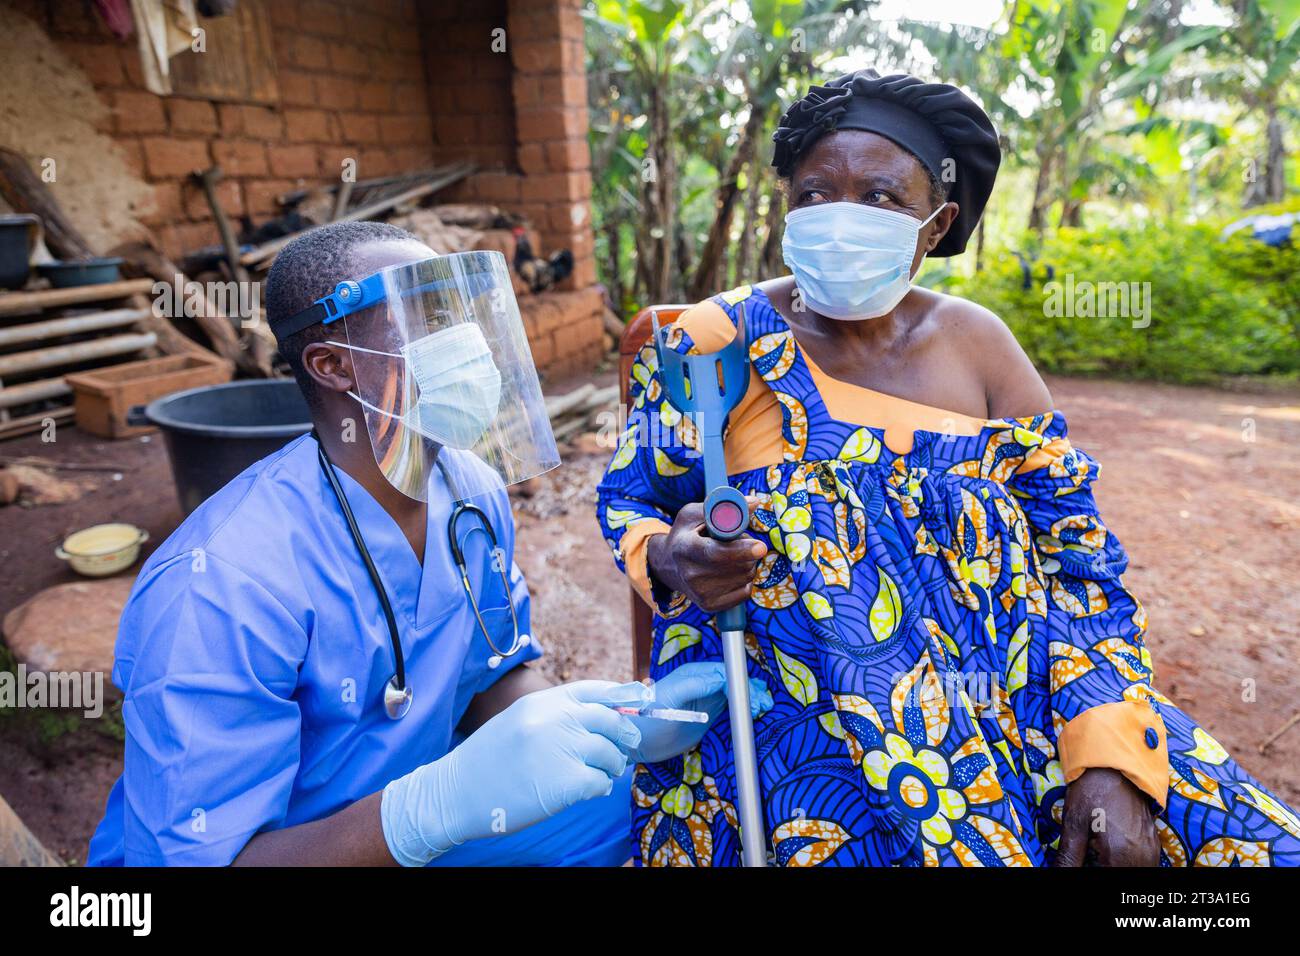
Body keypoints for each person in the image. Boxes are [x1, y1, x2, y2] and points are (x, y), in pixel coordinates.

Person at [597, 69, 1300, 867]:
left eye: (882, 198)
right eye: (815, 194)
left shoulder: (982, 347)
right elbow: (632, 500)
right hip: (818, 742)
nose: (842, 218)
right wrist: (675, 556)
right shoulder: (717, 343)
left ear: (936, 224)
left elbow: (1080, 565)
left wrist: (1106, 754)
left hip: (1032, 710)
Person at [89, 220, 768, 866]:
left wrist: (613, 723)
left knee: (652, 798)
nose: (468, 340)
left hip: (423, 828)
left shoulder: (468, 490)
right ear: (333, 364)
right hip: (304, 849)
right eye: (431, 319)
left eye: (462, 311)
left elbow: (495, 671)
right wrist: (427, 810)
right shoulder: (221, 583)